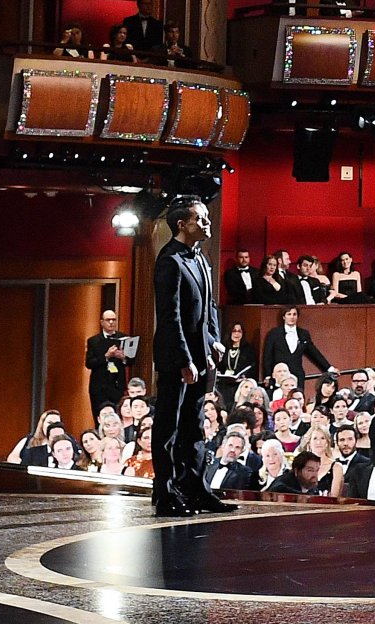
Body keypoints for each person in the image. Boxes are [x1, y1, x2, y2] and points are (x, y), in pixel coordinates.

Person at [149, 195, 233, 518]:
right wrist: (184, 360)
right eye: (201, 218)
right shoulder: (169, 260)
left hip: (200, 357)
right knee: (168, 428)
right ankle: (166, 493)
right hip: (177, 360)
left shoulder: (201, 258)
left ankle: (196, 489)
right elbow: (170, 317)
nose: (207, 222)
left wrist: (213, 341)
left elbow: (208, 307)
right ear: (182, 224)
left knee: (194, 427)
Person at [261, 306, 332, 395]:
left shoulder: (303, 334)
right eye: (289, 314)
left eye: (294, 314)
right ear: (284, 317)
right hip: (279, 376)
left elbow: (314, 352)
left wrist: (329, 368)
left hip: (297, 376)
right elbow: (267, 356)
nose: (292, 317)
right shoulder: (274, 333)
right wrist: (267, 375)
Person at [84, 308, 130, 415]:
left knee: (118, 415)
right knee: (99, 416)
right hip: (99, 387)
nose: (111, 322)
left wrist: (123, 357)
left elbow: (131, 361)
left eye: (114, 320)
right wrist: (106, 356)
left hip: (117, 385)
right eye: (108, 320)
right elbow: (89, 363)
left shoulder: (124, 338)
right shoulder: (93, 341)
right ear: (102, 322)